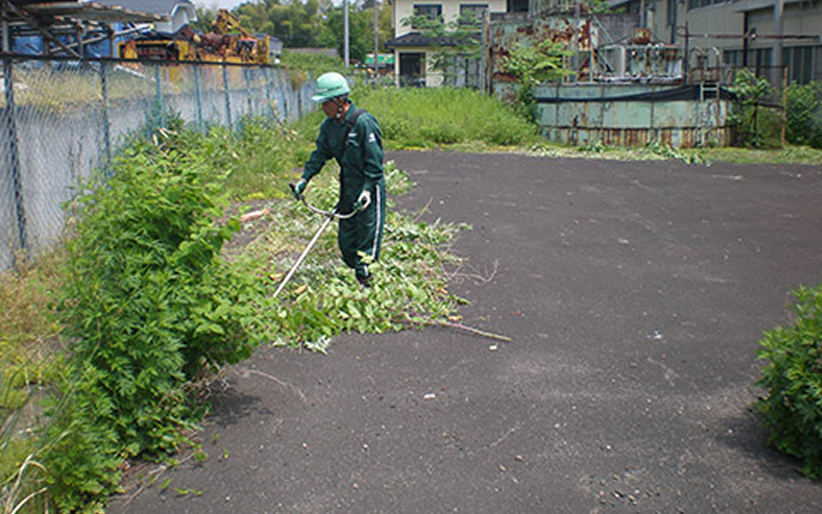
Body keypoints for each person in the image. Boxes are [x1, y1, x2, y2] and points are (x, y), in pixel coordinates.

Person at [293, 72, 386, 287]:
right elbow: (319, 155)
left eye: (326, 103)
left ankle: (369, 286)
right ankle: (353, 283)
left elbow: (375, 163)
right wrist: (304, 179)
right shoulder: (329, 127)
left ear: (340, 101)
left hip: (368, 188)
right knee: (347, 243)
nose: (323, 108)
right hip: (347, 186)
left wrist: (367, 190)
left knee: (367, 241)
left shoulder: (364, 123)